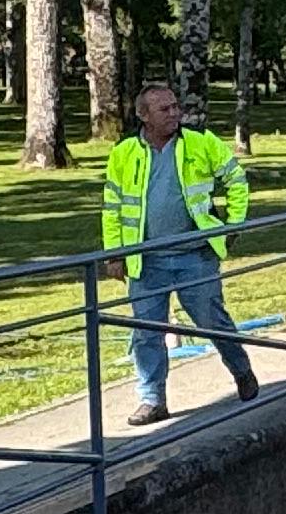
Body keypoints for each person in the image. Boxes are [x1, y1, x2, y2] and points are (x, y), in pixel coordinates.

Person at [101, 81, 260, 424]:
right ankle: (152, 399)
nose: (175, 113)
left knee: (212, 321)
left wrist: (233, 224)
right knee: (146, 332)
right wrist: (114, 255)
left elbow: (236, 180)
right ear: (144, 117)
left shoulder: (201, 143)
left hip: (195, 256)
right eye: (165, 109)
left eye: (176, 107)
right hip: (146, 262)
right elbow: (112, 208)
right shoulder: (123, 154)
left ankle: (242, 371)